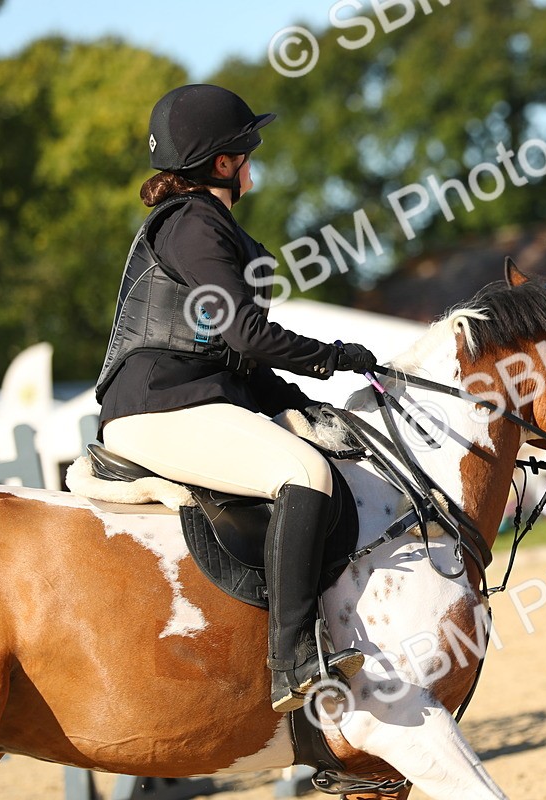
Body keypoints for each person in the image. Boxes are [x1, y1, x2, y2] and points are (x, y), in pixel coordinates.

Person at [95, 85, 374, 712]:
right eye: (247, 150)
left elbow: (241, 360)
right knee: (304, 472)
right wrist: (332, 355)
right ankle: (294, 657)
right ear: (223, 163)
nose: (254, 160)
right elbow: (245, 333)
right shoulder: (194, 225)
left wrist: (306, 399)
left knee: (314, 445)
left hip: (192, 395)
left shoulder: (212, 226)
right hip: (158, 404)